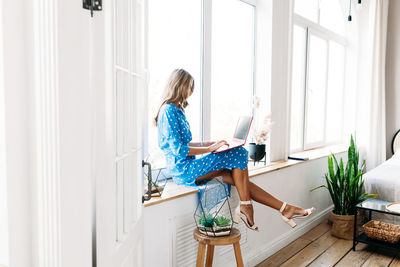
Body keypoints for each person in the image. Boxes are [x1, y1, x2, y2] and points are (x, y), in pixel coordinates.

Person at [154, 69, 315, 231]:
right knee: (239, 153)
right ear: (178, 85)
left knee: (237, 178)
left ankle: (284, 208)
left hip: (189, 168)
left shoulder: (178, 110)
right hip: (183, 171)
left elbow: (185, 143)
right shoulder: (168, 111)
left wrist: (209, 143)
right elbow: (178, 150)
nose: (191, 91)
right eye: (189, 86)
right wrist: (210, 148)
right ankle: (248, 207)